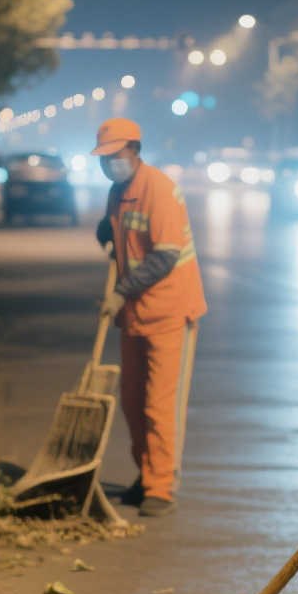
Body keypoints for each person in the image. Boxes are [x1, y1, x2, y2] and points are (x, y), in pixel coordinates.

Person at [92, 117, 206, 518]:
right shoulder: (117, 191)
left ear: (135, 152)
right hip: (136, 315)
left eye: (115, 157)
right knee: (133, 401)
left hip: (170, 310)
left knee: (160, 404)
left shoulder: (159, 189)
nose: (109, 165)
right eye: (103, 159)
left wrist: (120, 292)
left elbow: (164, 255)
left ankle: (161, 484)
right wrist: (106, 233)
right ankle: (145, 473)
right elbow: (115, 231)